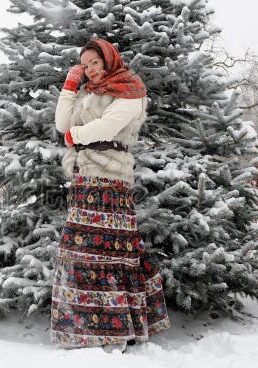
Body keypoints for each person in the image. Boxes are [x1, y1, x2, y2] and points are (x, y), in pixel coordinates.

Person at [51, 38, 170, 353]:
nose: (90, 69)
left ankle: (120, 329)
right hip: (85, 176)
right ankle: (87, 329)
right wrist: (70, 84)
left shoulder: (131, 90)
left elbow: (105, 128)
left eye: (94, 62)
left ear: (108, 60)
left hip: (113, 178)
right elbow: (62, 121)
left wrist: (74, 136)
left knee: (114, 252)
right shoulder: (88, 93)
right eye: (84, 64)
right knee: (79, 250)